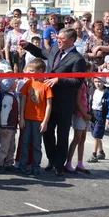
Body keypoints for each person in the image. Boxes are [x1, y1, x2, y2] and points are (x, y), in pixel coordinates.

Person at [20, 28, 87, 177]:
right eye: (58, 38)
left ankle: (59, 164)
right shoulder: (55, 49)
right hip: (48, 102)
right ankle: (51, 159)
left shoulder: (78, 59)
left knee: (62, 135)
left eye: (62, 39)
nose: (58, 41)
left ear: (71, 40)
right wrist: (28, 46)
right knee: (47, 133)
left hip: (64, 103)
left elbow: (77, 81)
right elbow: (41, 53)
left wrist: (59, 80)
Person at [19, 58, 53, 175]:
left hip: (39, 120)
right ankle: (23, 165)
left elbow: (49, 105)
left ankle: (36, 165)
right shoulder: (28, 83)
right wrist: (21, 117)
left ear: (40, 70)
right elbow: (23, 100)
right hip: (27, 118)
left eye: (32, 71)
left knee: (37, 144)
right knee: (24, 142)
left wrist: (45, 122)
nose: (30, 74)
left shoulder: (46, 85)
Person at [66, 62, 93, 173]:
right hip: (80, 114)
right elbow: (78, 102)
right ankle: (68, 163)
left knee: (83, 139)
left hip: (86, 114)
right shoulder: (80, 85)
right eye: (89, 71)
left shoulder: (86, 84)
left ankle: (80, 163)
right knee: (77, 138)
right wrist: (85, 114)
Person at [87, 76, 109, 163]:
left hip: (101, 115)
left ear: (103, 82)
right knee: (95, 134)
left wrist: (108, 117)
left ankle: (94, 154)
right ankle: (101, 152)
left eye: (99, 82)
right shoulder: (94, 91)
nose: (97, 84)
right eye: (95, 82)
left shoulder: (106, 93)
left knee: (96, 135)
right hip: (94, 113)